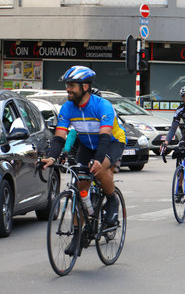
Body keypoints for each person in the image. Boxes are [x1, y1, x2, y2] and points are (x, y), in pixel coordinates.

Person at [41, 66, 126, 254]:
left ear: (85, 86)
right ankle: (79, 235)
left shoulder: (102, 105)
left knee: (100, 168)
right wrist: (51, 156)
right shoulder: (67, 107)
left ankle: (112, 200)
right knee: (80, 188)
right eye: (67, 85)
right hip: (87, 145)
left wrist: (97, 160)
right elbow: (60, 136)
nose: (68, 89)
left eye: (71, 85)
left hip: (112, 142)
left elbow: (104, 137)